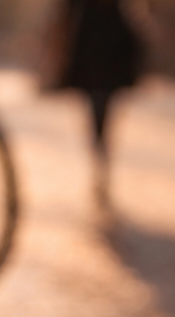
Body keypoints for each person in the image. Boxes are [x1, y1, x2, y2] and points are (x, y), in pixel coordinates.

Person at [53, 0, 146, 205]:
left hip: (105, 40)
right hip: (93, 39)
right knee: (98, 104)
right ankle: (101, 154)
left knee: (101, 105)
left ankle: (100, 154)